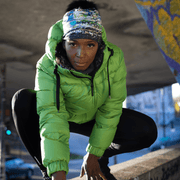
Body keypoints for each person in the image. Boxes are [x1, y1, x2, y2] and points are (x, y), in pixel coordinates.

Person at [11, 0, 157, 180]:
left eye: (90, 45)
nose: (81, 54)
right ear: (64, 42)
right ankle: (48, 173)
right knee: (22, 100)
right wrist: (58, 173)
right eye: (73, 44)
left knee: (146, 129)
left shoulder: (113, 58)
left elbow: (110, 109)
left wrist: (94, 153)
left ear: (99, 44)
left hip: (94, 116)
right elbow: (51, 116)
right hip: (64, 114)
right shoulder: (47, 65)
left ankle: (101, 160)